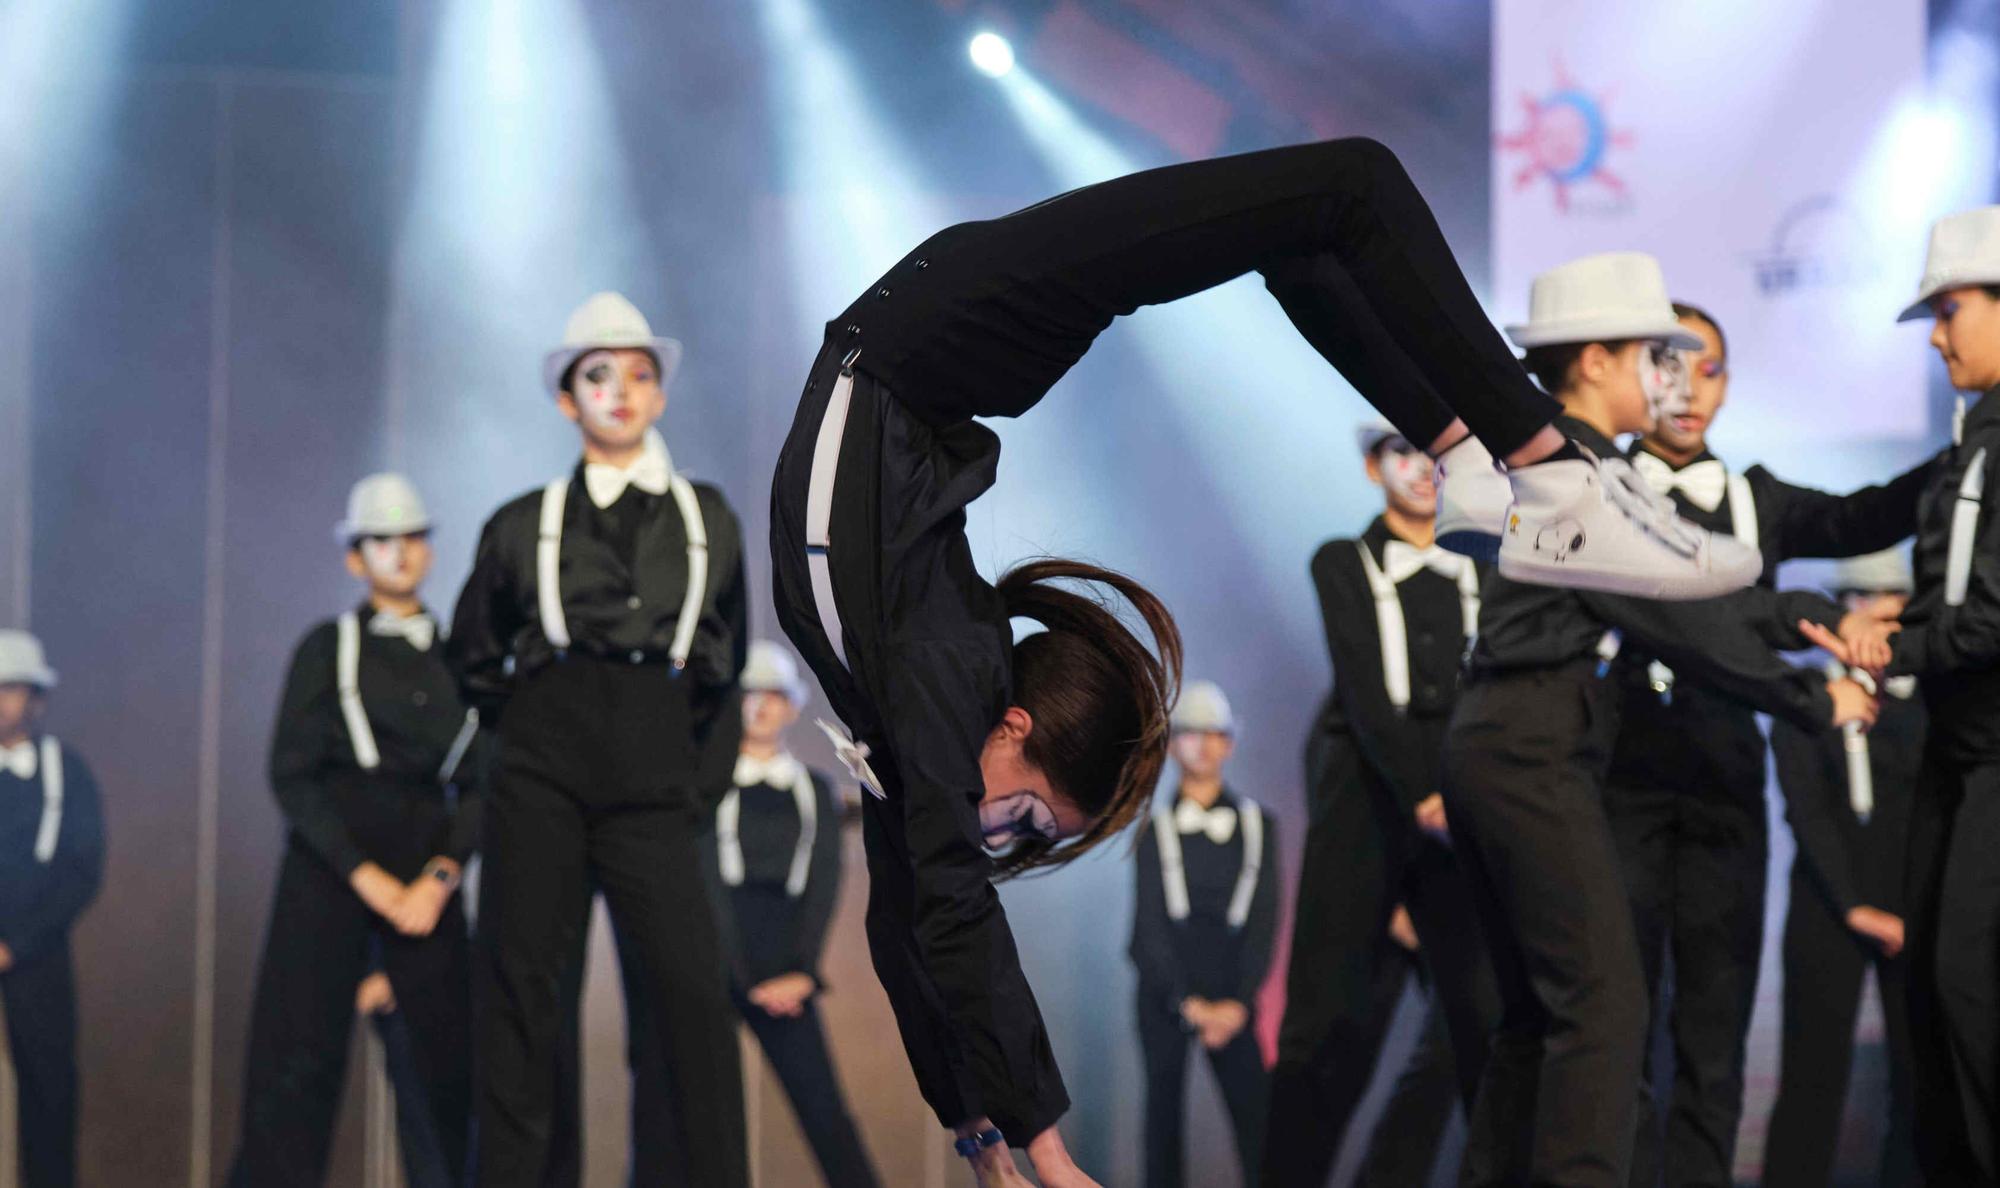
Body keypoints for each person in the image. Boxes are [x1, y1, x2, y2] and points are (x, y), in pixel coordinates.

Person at [770, 137, 1768, 1188]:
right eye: (1023, 823)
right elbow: (918, 918)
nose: (992, 830)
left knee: (1354, 183)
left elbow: (936, 913)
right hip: (927, 348)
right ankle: (1474, 457)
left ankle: (1534, 468)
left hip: (925, 339)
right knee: (1309, 226)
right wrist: (994, 1142)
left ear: (1018, 728)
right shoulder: (936, 709)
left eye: (1022, 820)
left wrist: (1029, 1150)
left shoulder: (929, 699)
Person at [1441, 251, 1883, 1187]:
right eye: (1653, 355)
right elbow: (1684, 622)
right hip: (1531, 749)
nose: (1669, 378)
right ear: (1596, 362)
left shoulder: (1576, 461)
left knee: (1538, 1022)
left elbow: (1713, 591)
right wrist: (1813, 695)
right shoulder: (1580, 473)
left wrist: (1816, 621)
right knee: (1604, 1013)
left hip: (1513, 741)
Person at [1601, 302, 1932, 1187]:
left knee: (1714, 1034)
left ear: (1727, 381)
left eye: (1704, 364)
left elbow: (1863, 518)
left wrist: (1973, 447)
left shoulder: (1757, 496)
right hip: (1617, 777)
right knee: (1617, 1037)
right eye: (1663, 361)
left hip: (1723, 782)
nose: (1684, 384)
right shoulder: (1597, 481)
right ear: (1634, 373)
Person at [447, 292, 750, 1187]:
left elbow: (725, 668)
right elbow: (470, 658)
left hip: (657, 771)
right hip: (542, 767)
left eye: (640, 373)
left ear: (660, 395)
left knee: (691, 1002)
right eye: (598, 373)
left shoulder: (709, 519)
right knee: (523, 1002)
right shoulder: (520, 522)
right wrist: (537, 729)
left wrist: (689, 781)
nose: (621, 389)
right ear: (566, 398)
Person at [1803, 205, 2000, 1183]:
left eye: (1948, 309)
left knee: (1967, 986)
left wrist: (1892, 642)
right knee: (1932, 991)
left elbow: (1992, 616)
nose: (1933, 335)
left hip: (1992, 757)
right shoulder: (1966, 445)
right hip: (1955, 758)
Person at [1264, 420, 1499, 1188]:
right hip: (1370, 803)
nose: (1425, 469)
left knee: (1485, 1021)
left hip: (1461, 809)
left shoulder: (1489, 566)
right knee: (1324, 1027)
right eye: (1404, 451)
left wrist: (1462, 797)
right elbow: (1365, 692)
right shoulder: (1344, 561)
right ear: (1374, 468)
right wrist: (1425, 794)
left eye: (1438, 454)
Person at [228, 474, 481, 1187]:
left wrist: (436, 879)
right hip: (330, 875)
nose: (397, 554)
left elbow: (486, 779)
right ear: (354, 557)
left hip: (427, 882)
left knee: (440, 1075)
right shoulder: (327, 647)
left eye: (410, 539)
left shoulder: (461, 657)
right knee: (293, 1070)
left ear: (429, 550)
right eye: (380, 541)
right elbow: (292, 774)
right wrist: (366, 879)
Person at [1763, 549, 1922, 1188]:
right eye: (1864, 606)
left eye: (1893, 611)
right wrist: (1853, 904)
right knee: (1811, 1076)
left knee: (1919, 1080)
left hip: (1911, 901)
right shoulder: (1804, 696)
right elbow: (1805, 811)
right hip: (1828, 900)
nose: (1879, 626)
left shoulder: (1928, 702)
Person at [703, 640, 881, 1188]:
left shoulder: (814, 789)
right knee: (687, 1110)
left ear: (792, 705)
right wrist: (734, 973)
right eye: (749, 693)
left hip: (785, 964)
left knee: (824, 1110)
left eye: (773, 694)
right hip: (714, 958)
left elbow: (823, 884)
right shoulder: (705, 785)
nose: (760, 706)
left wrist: (802, 970)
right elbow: (704, 878)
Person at [1130, 681, 1278, 1188]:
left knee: (1258, 1124)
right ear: (1173, 746)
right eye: (1192, 733)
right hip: (1168, 992)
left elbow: (1265, 921)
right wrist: (1184, 1002)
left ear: (1229, 744)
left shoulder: (1260, 825)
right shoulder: (1155, 829)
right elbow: (1146, 928)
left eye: (1216, 733)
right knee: (1162, 1121)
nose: (1205, 744)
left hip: (1233, 988)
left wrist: (1238, 1002)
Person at [0, 629, 104, 1188]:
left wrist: (15, 943)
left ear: (35, 699)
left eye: (10, 689)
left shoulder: (67, 770)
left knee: (48, 1088)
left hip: (35, 952)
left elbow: (82, 870)